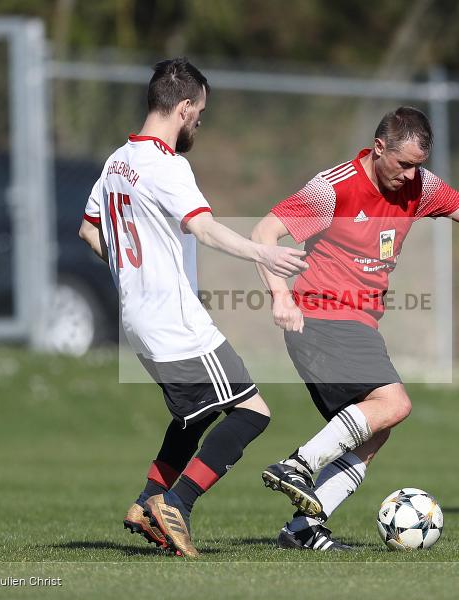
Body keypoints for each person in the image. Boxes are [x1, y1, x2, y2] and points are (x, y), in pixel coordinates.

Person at [251, 106, 459, 551]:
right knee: (394, 402)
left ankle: (303, 529)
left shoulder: (421, 187)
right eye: (403, 164)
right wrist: (280, 295)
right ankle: (297, 465)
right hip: (321, 314)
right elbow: (264, 233)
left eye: (418, 165)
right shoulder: (334, 188)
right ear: (379, 148)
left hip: (356, 322)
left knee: (376, 430)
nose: (410, 175)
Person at [77, 58, 308, 558]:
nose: (199, 122)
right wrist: (264, 252)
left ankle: (146, 502)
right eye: (199, 113)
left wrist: (134, 275)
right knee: (252, 413)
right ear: (183, 108)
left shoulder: (117, 160)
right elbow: (202, 227)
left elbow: (90, 230)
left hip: (138, 321)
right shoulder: (167, 164)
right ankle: (176, 502)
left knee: (194, 416)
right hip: (175, 322)